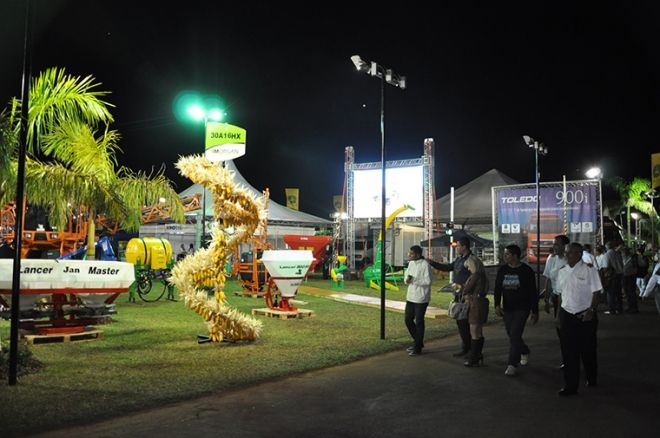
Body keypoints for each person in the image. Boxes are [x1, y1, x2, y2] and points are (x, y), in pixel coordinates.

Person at [555, 242, 603, 396]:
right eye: (565, 253)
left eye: (569, 253)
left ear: (579, 254)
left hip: (585, 315)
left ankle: (591, 376)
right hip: (567, 315)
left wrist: (592, 310)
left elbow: (596, 292)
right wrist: (558, 316)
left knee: (587, 350)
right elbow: (560, 294)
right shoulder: (562, 271)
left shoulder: (589, 270)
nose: (566, 255)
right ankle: (571, 386)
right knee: (568, 352)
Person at [494, 244, 539, 376]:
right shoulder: (503, 270)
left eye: (507, 254)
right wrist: (497, 304)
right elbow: (497, 288)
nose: (505, 256)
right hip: (508, 308)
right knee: (512, 334)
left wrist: (535, 311)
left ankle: (512, 364)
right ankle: (524, 350)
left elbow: (532, 292)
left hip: (522, 308)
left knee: (514, 334)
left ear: (514, 256)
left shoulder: (526, 271)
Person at [428, 236, 476, 357]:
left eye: (458, 246)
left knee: (468, 323)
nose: (456, 248)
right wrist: (432, 263)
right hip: (458, 295)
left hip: (467, 296)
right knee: (460, 322)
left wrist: (468, 291)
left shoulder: (471, 260)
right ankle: (466, 347)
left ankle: (472, 350)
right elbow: (448, 267)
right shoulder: (459, 259)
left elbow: (476, 277)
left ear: (464, 247)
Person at [403, 245, 433, 356]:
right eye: (409, 253)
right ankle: (418, 342)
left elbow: (428, 281)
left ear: (418, 254)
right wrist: (407, 279)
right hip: (410, 296)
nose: (409, 255)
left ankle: (417, 347)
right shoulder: (411, 263)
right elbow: (406, 276)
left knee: (419, 322)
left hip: (421, 298)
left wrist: (415, 280)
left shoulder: (425, 265)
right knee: (408, 320)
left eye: (411, 254)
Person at [460, 254, 490, 367]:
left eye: (468, 266)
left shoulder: (475, 275)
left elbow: (466, 289)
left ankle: (474, 356)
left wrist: (462, 288)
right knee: (479, 331)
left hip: (475, 305)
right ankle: (478, 354)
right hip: (482, 303)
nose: (468, 268)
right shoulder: (483, 276)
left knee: (474, 331)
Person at [604, 241, 624, 315]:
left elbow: (605, 267)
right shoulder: (618, 254)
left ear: (607, 247)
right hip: (619, 275)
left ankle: (611, 310)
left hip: (612, 276)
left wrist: (604, 276)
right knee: (618, 293)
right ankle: (620, 309)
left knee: (610, 293)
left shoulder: (607, 255)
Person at [621, 246, 639, 313]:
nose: (623, 252)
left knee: (631, 292)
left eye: (624, 251)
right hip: (627, 276)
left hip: (630, 276)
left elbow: (635, 266)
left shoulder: (632, 258)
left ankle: (633, 308)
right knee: (628, 292)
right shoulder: (625, 257)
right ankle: (631, 307)